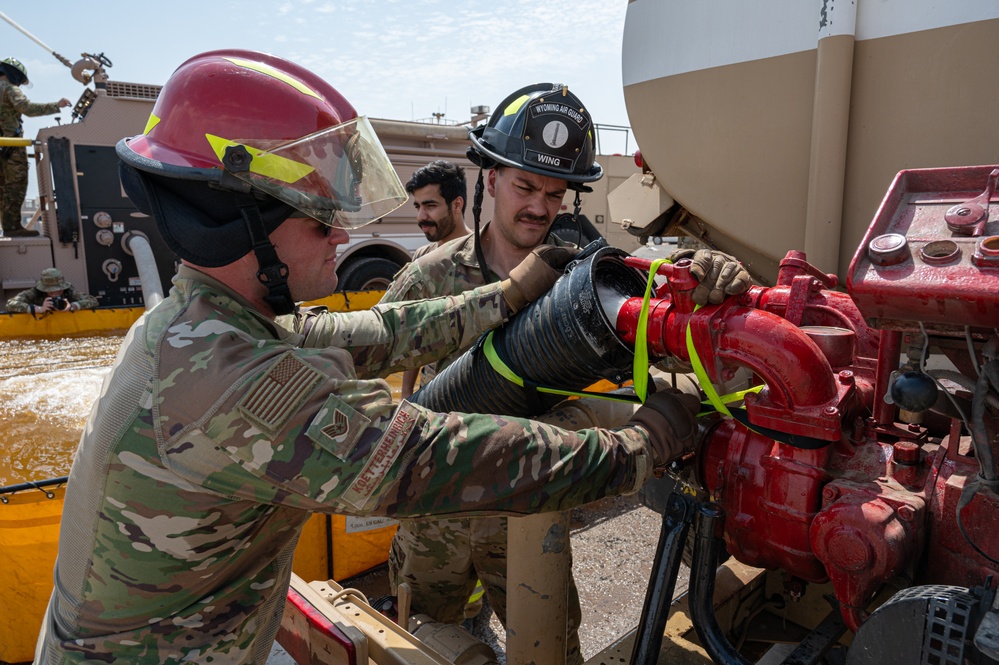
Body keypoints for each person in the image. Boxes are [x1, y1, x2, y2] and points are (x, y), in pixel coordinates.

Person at [33, 51, 705, 665]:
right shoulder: (229, 381)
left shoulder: (206, 323)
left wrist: (505, 296)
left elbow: (377, 333)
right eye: (317, 218)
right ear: (240, 229)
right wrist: (639, 446)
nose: (341, 233)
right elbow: (434, 457)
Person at [380, 82, 752, 663]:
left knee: (554, 650)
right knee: (421, 644)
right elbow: (400, 398)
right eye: (525, 186)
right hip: (435, 523)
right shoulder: (426, 281)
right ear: (491, 179)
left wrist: (706, 282)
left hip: (528, 518)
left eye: (555, 194)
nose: (538, 207)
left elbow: (668, 338)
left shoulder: (577, 286)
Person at [398, 159, 472, 397]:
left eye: (430, 206)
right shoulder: (422, 257)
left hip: (473, 396)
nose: (421, 216)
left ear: (456, 204)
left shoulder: (482, 255)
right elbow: (413, 332)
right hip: (429, 394)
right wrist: (407, 393)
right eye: (417, 206)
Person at [0, 57, 71, 237]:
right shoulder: (9, 89)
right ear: (14, 75)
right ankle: (12, 227)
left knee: (2, 189)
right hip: (10, 148)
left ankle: (7, 225)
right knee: (15, 186)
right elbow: (27, 108)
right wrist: (57, 105)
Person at [5, 267, 98, 315]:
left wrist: (73, 306)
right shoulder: (35, 293)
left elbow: (93, 300)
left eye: (58, 289)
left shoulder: (68, 293)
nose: (56, 293)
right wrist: (38, 309)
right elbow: (11, 304)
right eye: (51, 291)